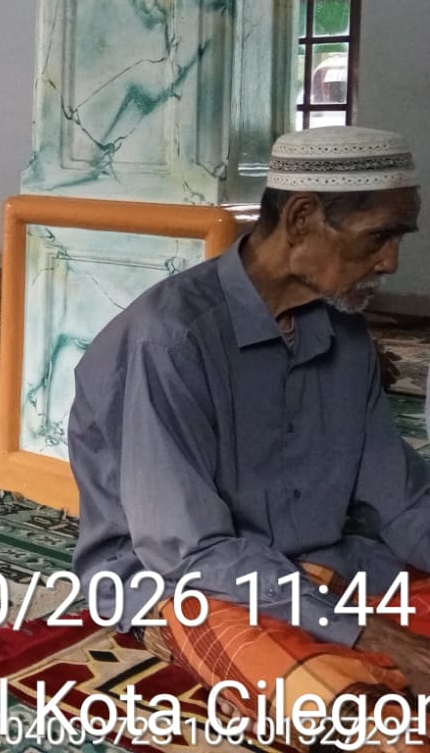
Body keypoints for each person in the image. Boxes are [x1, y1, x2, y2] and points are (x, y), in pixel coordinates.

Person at [69, 126, 430, 730]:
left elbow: (399, 500)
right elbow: (189, 550)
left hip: (323, 561)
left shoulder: (344, 337)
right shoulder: (171, 340)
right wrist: (365, 629)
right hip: (187, 580)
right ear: (302, 218)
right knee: (351, 707)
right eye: (379, 236)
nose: (390, 261)